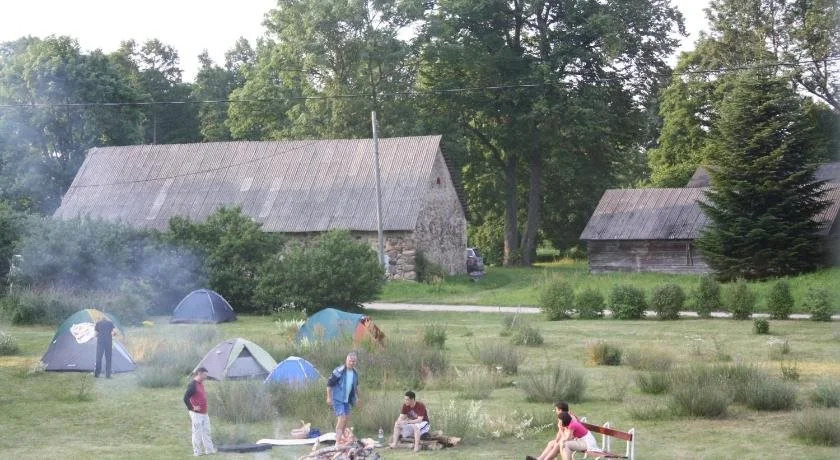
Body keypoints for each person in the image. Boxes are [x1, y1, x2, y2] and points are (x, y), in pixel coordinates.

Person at [528, 402, 597, 460]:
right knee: (552, 443)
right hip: (577, 439)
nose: (555, 411)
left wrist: (560, 435)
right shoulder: (563, 417)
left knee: (562, 444)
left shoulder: (570, 419)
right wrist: (556, 440)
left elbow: (569, 437)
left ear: (560, 410)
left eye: (556, 409)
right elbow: (562, 433)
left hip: (584, 441)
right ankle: (540, 458)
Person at [326, 352, 360, 442]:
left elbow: (356, 386)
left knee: (346, 419)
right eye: (350, 361)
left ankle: (343, 438)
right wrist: (328, 397)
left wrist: (357, 397)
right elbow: (329, 384)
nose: (352, 363)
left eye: (354, 361)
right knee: (342, 419)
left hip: (347, 400)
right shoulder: (339, 371)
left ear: (356, 362)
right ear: (346, 360)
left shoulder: (355, 372)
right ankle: (337, 442)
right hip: (338, 399)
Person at [184, 367, 217, 456]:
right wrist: (192, 408)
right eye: (205, 375)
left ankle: (209, 450)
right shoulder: (193, 385)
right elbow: (185, 398)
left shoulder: (201, 383)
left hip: (204, 413)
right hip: (196, 414)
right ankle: (197, 452)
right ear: (199, 373)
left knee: (206, 431)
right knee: (197, 433)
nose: (206, 377)